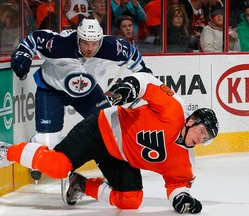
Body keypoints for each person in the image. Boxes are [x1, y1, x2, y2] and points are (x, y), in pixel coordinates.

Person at [0, 72, 219, 214]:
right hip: (101, 129)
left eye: (206, 137)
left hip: (120, 157)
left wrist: (181, 199)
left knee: (130, 201)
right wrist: (129, 87)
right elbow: (146, 82)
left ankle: (81, 185)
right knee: (59, 166)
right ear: (191, 120)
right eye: (201, 130)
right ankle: (6, 150)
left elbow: (177, 184)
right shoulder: (173, 109)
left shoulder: (185, 161)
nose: (201, 138)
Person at [10, 18, 152, 180]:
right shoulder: (60, 44)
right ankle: (37, 148)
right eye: (85, 43)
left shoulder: (112, 48)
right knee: (49, 142)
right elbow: (35, 39)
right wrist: (23, 53)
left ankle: (116, 174)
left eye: (94, 43)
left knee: (111, 126)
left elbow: (137, 61)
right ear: (78, 38)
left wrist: (144, 81)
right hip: (52, 89)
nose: (90, 48)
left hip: (87, 90)